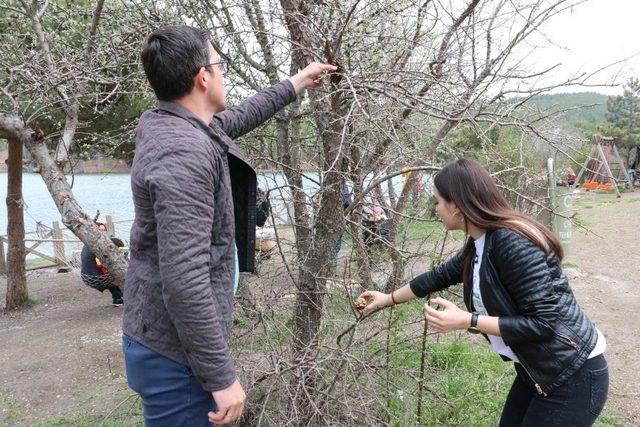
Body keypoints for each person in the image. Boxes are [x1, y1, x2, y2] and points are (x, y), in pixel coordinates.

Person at [122, 25, 336, 426]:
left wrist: (297, 82)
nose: (223, 73)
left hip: (163, 340)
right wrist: (221, 377)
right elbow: (184, 278)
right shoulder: (182, 153)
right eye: (219, 64)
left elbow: (238, 116)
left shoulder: (177, 123)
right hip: (174, 355)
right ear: (203, 77)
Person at [360, 158, 608, 426]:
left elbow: (544, 323)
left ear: (456, 205)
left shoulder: (512, 243)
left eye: (437, 202)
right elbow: (440, 276)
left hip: (574, 374)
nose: (436, 210)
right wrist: (388, 299)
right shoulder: (481, 241)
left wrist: (468, 321)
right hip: (537, 369)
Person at [79, 222, 124, 307]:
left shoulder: (87, 243)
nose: (103, 232)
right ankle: (122, 297)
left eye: (104, 230)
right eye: (101, 230)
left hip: (85, 277)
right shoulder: (99, 244)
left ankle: (117, 299)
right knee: (117, 274)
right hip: (95, 278)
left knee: (110, 275)